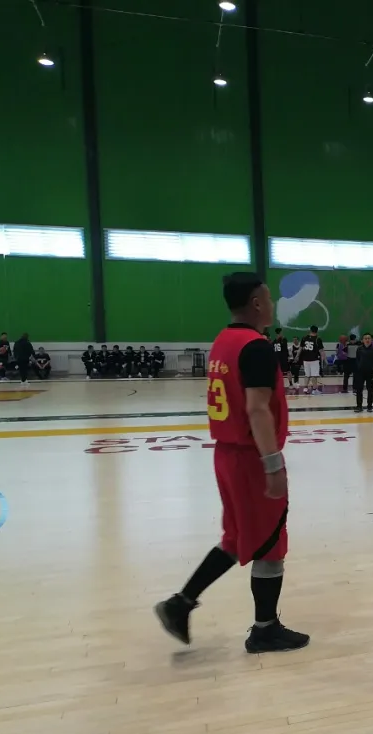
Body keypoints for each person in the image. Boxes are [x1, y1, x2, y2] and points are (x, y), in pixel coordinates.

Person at [154, 272, 308, 653]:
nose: (272, 304)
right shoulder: (256, 347)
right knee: (271, 543)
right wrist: (272, 464)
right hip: (250, 458)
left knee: (237, 540)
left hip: (226, 454)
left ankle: (180, 604)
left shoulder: (223, 341)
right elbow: (257, 409)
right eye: (268, 298)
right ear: (256, 303)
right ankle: (265, 629)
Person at [354, 333, 373, 412]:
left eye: (369, 338)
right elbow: (357, 359)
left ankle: (369, 406)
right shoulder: (359, 349)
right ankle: (359, 406)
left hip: (370, 372)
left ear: (371, 340)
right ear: (363, 340)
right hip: (360, 373)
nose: (367, 340)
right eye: (365, 338)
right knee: (359, 390)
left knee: (370, 390)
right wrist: (358, 368)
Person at [298, 325, 324, 394]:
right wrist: (324, 359)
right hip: (314, 359)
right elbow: (321, 351)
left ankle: (305, 388)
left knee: (307, 375)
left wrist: (297, 356)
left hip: (305, 359)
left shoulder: (304, 338)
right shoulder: (318, 339)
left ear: (310, 330)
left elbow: (300, 348)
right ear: (317, 331)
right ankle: (314, 390)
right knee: (314, 375)